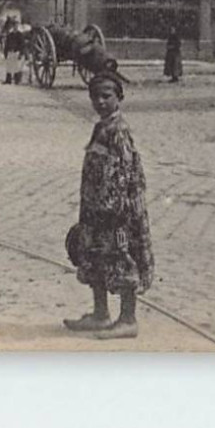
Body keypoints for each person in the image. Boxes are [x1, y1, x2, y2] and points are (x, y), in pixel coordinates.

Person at [63, 70, 153, 339]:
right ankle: (100, 314)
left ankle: (128, 319)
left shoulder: (119, 131)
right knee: (94, 255)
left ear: (119, 97)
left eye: (107, 96)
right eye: (95, 97)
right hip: (95, 209)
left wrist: (116, 210)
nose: (100, 102)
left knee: (121, 258)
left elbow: (125, 174)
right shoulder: (101, 127)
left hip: (116, 212)